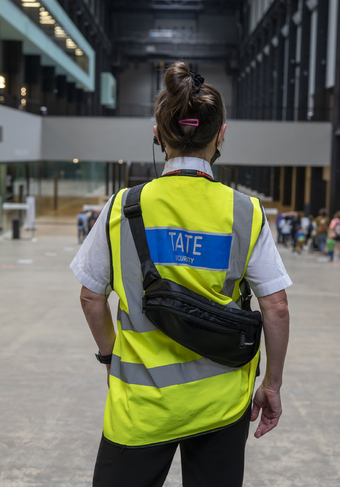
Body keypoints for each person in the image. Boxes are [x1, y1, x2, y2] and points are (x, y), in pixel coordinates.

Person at [70, 62, 291, 487]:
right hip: (221, 405)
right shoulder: (245, 213)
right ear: (221, 134)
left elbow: (90, 297)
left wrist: (109, 355)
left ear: (158, 134)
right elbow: (276, 307)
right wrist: (272, 383)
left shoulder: (122, 207)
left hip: (140, 406)